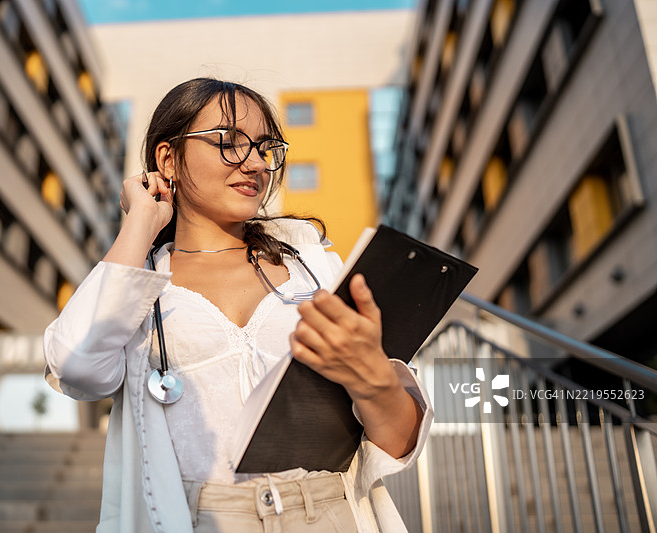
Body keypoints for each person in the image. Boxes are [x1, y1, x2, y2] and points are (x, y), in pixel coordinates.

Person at [44, 78, 433, 533]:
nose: (253, 163)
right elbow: (75, 365)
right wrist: (140, 225)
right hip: (195, 519)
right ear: (167, 158)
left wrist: (373, 379)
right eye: (229, 142)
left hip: (327, 513)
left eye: (265, 147)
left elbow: (399, 442)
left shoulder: (318, 272)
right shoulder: (141, 285)